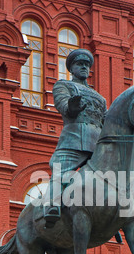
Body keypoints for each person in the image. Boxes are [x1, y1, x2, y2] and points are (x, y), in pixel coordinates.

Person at [44, 48, 107, 227]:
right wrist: (72, 106)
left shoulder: (100, 98)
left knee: (116, 176)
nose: (84, 68)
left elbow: (107, 121)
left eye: (87, 65)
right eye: (80, 64)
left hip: (97, 145)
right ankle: (53, 205)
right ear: (71, 68)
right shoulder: (63, 85)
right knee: (60, 169)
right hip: (74, 139)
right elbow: (63, 106)